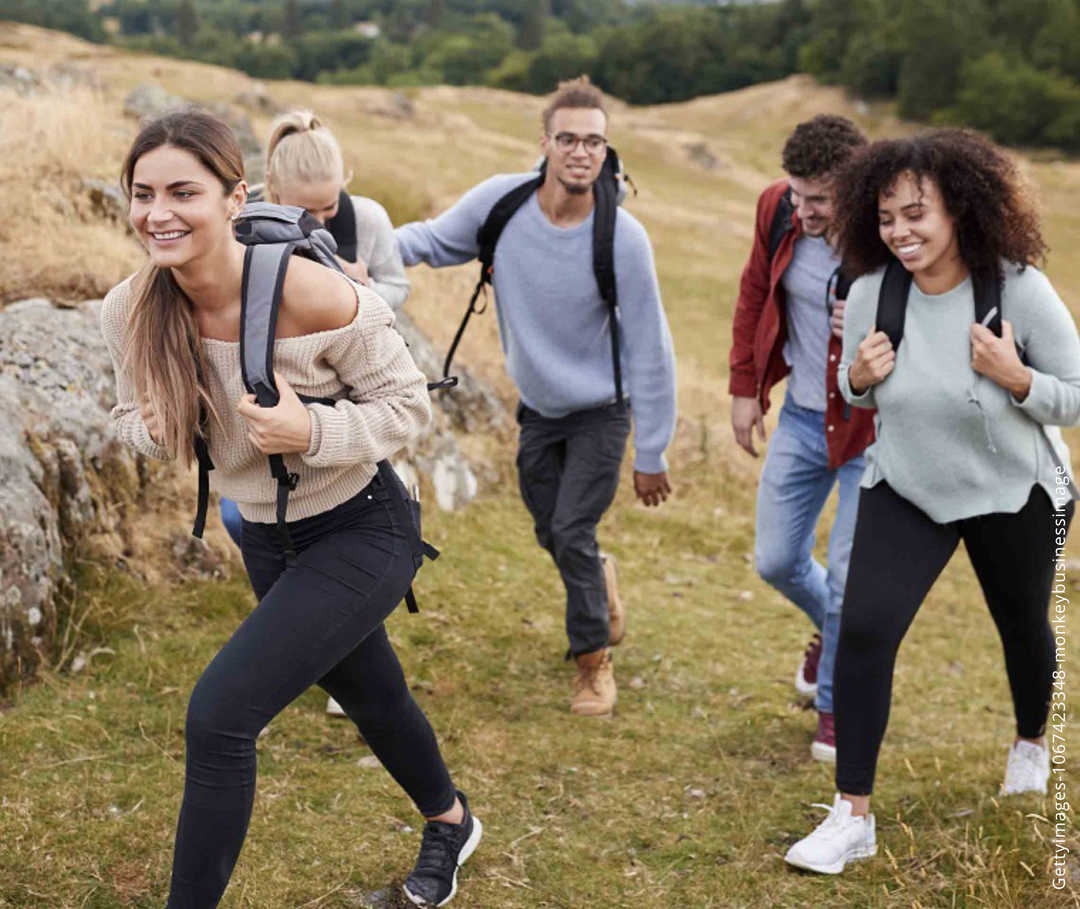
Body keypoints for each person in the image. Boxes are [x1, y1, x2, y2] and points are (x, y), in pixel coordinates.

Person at [100, 109, 480, 908]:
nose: (158, 212)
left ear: (235, 198)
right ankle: (451, 820)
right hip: (267, 541)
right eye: (142, 193)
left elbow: (409, 408)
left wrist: (313, 426)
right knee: (375, 695)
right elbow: (127, 418)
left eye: (182, 191)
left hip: (363, 524)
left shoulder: (312, 292)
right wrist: (153, 426)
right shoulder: (129, 310)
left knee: (220, 716)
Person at [785, 128, 1080, 874]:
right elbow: (862, 390)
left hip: (1014, 491)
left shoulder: (1018, 289)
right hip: (908, 484)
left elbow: (1073, 398)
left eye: (916, 213)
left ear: (961, 209)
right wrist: (857, 374)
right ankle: (852, 814)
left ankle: (1030, 741)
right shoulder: (872, 289)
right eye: (886, 218)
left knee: (1022, 629)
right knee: (863, 630)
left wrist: (1018, 378)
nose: (900, 232)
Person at [397, 76, 677, 718]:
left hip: (603, 412)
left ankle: (593, 663)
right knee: (553, 529)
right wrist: (356, 253)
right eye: (569, 139)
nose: (581, 152)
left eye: (595, 142)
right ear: (546, 142)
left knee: (573, 528)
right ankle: (600, 585)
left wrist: (653, 450)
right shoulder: (503, 204)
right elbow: (431, 242)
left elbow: (651, 351)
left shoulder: (622, 238)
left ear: (607, 152)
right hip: (539, 411)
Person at [729, 115, 873, 762]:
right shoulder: (778, 209)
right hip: (802, 416)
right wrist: (744, 386)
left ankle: (837, 707)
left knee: (848, 578)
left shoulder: (886, 236)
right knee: (777, 559)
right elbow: (755, 287)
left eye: (819, 199)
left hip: (875, 430)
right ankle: (829, 629)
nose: (804, 210)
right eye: (797, 194)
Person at [220, 109, 410, 559]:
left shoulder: (368, 218)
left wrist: (364, 292)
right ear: (272, 186)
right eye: (307, 212)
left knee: (347, 512)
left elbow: (398, 285)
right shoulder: (239, 224)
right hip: (263, 387)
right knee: (237, 516)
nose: (322, 224)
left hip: (350, 389)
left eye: (331, 207)